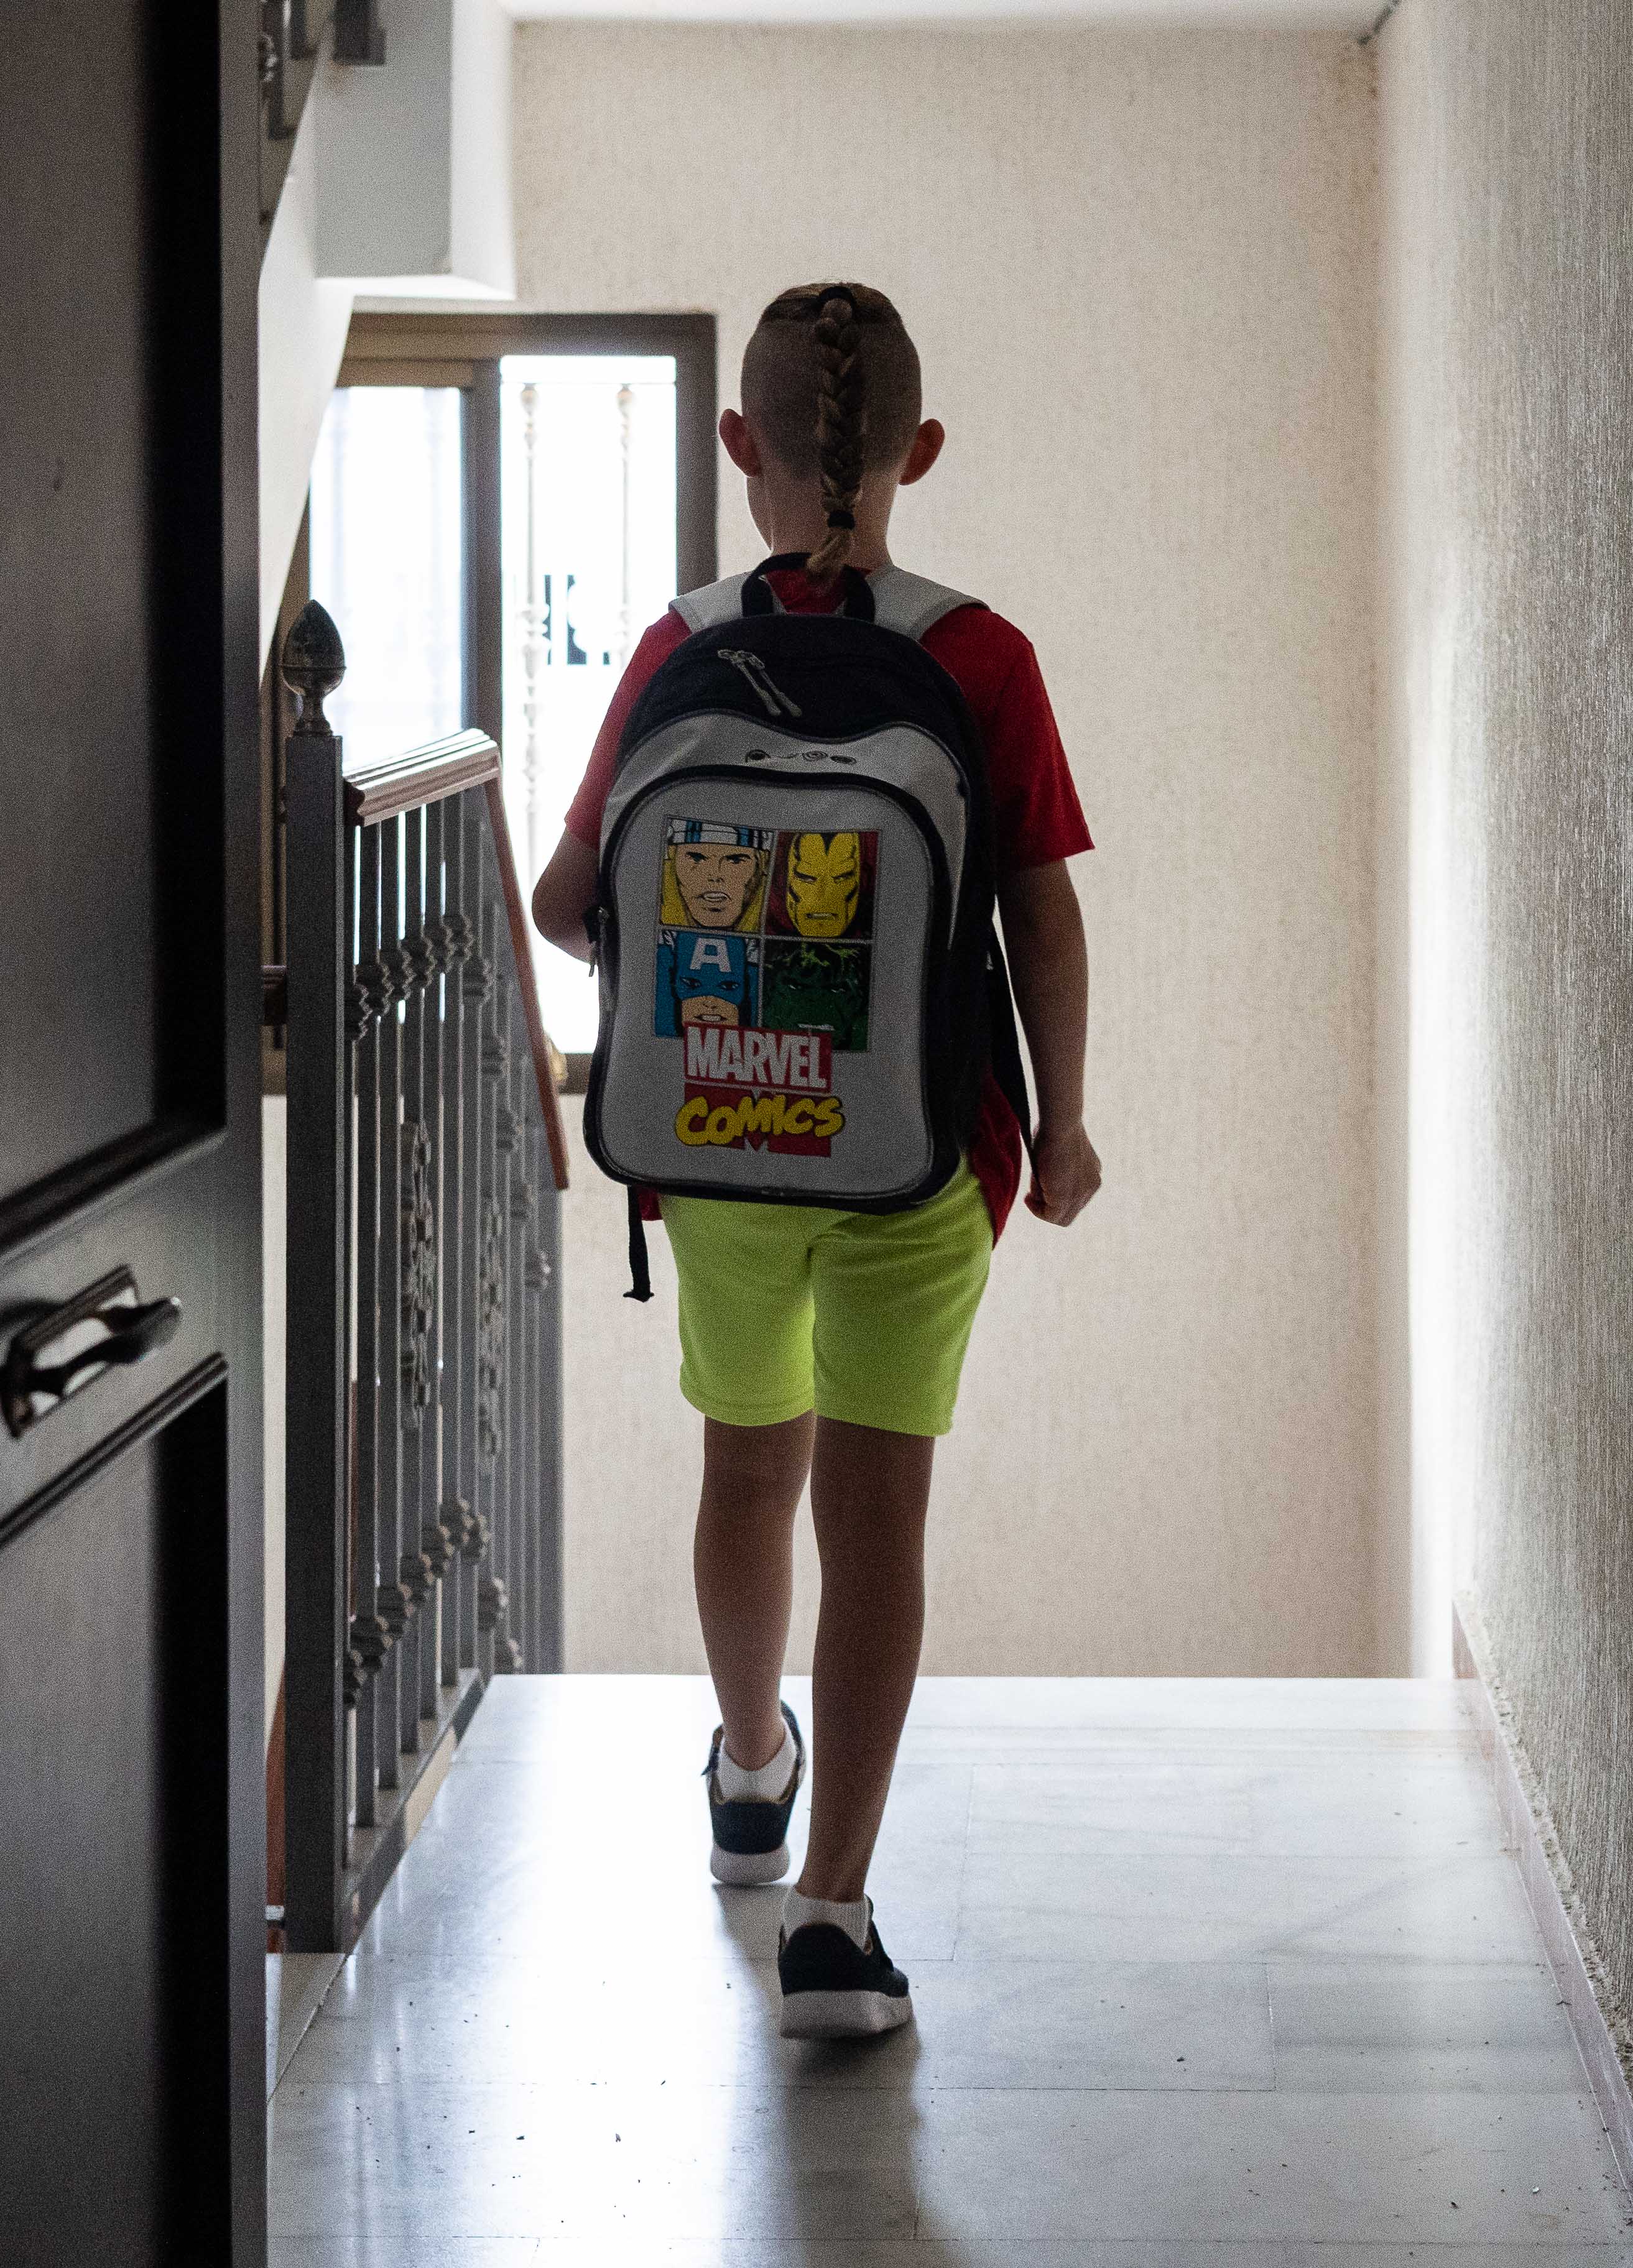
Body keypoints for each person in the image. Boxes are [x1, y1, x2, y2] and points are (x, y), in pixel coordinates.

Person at [530, 280, 1101, 2039]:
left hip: (714, 1153)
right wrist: (1064, 1127)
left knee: (745, 1469)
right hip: (920, 1160)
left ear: (737, 449)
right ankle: (837, 1926)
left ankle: (753, 1771)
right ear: (919, 453)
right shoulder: (980, 656)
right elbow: (1041, 914)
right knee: (879, 1519)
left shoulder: (672, 645)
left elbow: (565, 909)